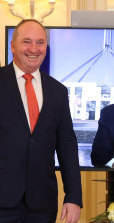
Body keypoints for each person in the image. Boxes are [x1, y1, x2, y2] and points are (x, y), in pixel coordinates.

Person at [0, 19, 82, 223]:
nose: (34, 49)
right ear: (12, 45)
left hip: (42, 204)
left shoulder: (58, 91)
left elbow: (67, 146)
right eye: (26, 42)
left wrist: (73, 197)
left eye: (40, 42)